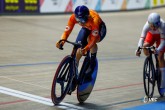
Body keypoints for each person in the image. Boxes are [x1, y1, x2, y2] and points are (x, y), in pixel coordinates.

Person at [56, 5, 106, 84]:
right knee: (77, 49)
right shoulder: (73, 17)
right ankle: (74, 75)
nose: (80, 22)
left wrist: (86, 49)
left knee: (90, 40)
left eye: (82, 19)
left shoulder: (94, 19)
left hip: (99, 28)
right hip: (87, 27)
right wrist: (61, 41)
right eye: (78, 20)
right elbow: (66, 32)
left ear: (88, 16)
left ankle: (92, 61)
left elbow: (93, 40)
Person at [136, 12, 165, 94]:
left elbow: (163, 42)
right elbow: (141, 39)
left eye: (154, 26)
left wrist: (158, 50)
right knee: (145, 46)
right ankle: (150, 63)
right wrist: (138, 49)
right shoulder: (146, 26)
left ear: (158, 23)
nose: (152, 27)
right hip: (151, 35)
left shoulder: (163, 26)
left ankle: (163, 80)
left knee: (160, 56)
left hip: (161, 37)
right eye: (151, 25)